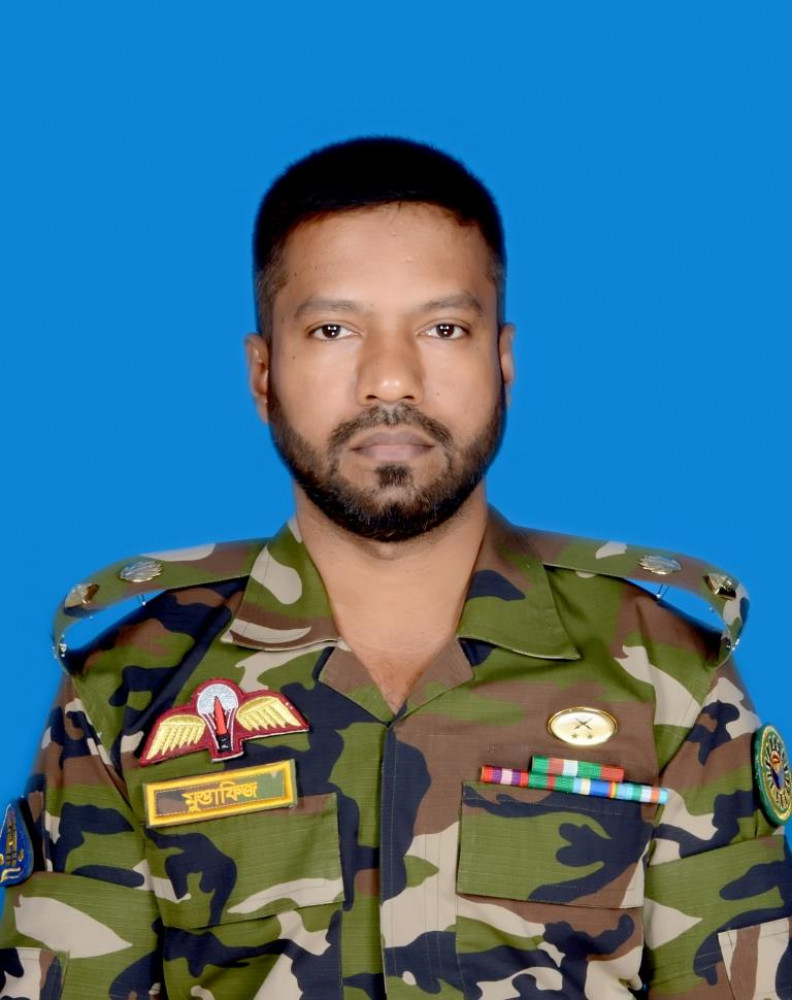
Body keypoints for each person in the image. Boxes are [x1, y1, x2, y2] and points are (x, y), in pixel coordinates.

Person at [0, 137, 789, 1000]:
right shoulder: (128, 689)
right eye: (333, 330)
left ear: (504, 361)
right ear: (263, 374)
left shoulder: (667, 678)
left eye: (443, 329)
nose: (390, 380)